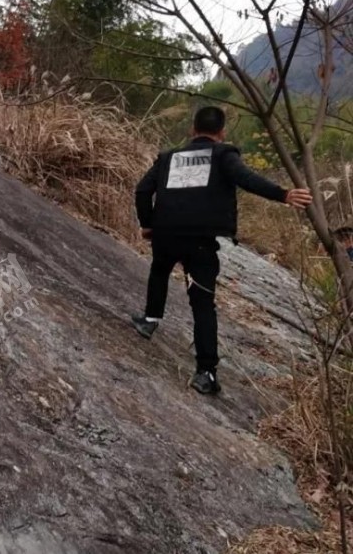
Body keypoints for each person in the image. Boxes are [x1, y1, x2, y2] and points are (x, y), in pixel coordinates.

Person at [132, 106, 313, 395]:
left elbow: (143, 190)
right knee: (202, 304)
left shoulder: (170, 157)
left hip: (166, 234)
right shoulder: (223, 155)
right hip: (200, 241)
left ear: (192, 130)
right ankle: (206, 373)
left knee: (159, 271)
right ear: (221, 133)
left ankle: (149, 321)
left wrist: (147, 224)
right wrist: (284, 194)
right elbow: (246, 179)